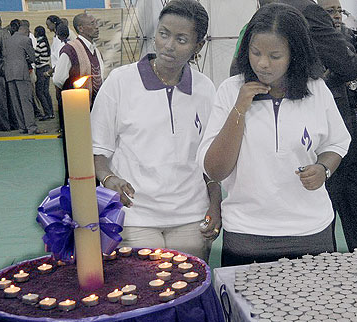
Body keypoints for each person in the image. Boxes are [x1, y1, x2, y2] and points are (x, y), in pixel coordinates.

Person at [199, 3, 351, 266]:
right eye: (255, 52)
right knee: (246, 306)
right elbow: (215, 170)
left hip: (310, 231)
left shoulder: (316, 90)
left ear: (295, 54)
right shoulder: (230, 90)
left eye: (275, 56)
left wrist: (323, 169)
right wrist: (240, 108)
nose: (262, 64)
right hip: (247, 233)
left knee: (311, 305)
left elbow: (336, 143)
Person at [91, 0, 221, 261]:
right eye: (164, 34)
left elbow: (210, 161)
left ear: (199, 46)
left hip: (191, 214)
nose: (169, 45)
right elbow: (97, 151)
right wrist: (108, 179)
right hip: (136, 215)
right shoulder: (120, 82)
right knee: (147, 286)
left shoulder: (205, 89)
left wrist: (215, 206)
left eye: (182, 39)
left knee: (188, 289)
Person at [318, 0, 357, 252]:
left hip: (352, 151)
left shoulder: (347, 45)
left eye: (339, 11)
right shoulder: (305, 47)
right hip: (321, 154)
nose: (337, 16)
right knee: (323, 230)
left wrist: (350, 86)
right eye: (329, 11)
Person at [54, 13, 104, 185]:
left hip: (93, 110)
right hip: (74, 112)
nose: (97, 26)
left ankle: (93, 185)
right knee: (75, 153)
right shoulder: (70, 49)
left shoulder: (95, 50)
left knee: (92, 149)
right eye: (92, 23)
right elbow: (58, 79)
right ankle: (74, 187)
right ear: (81, 28)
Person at [3, 24, 40, 135]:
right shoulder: (26, 39)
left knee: (16, 102)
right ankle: (31, 127)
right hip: (22, 73)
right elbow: (32, 57)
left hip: (9, 73)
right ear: (27, 31)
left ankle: (22, 127)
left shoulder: (7, 41)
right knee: (26, 101)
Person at [34, 26, 54, 121]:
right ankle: (51, 113)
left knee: (40, 92)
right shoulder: (45, 42)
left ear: (37, 33)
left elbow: (35, 57)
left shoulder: (40, 44)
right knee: (45, 92)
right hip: (47, 67)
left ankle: (47, 112)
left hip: (41, 69)